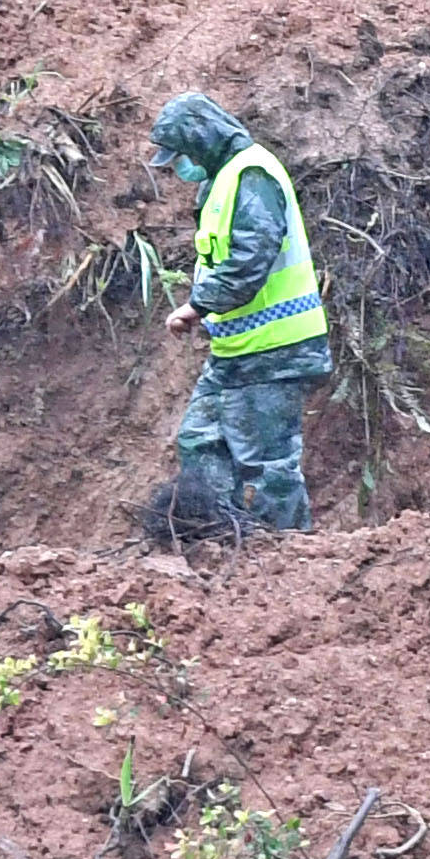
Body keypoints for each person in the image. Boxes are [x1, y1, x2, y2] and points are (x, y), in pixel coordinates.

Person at [153, 94, 330, 538]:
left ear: (203, 140)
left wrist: (197, 305)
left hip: (277, 348)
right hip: (238, 349)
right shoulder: (223, 180)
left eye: (184, 154)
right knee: (200, 439)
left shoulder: (251, 173)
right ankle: (221, 539)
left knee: (269, 465)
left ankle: (288, 556)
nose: (182, 166)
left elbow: (251, 258)